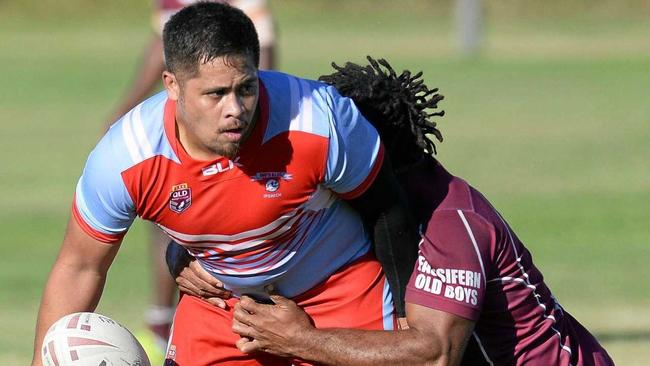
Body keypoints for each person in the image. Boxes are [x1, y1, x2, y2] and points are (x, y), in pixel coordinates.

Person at [31, 3, 419, 366]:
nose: (234, 108)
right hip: (223, 307)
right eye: (215, 94)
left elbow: (389, 210)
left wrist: (405, 316)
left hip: (338, 293)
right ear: (173, 86)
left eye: (246, 88)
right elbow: (79, 267)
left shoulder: (319, 119)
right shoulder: (125, 157)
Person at [172, 57, 615, 365]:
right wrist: (183, 258)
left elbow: (433, 354)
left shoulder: (451, 223)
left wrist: (299, 340)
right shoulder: (367, 209)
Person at [105, 1, 277, 360]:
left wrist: (257, 120)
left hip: (238, 133)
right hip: (193, 117)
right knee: (164, 211)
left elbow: (264, 52)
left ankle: (257, 315)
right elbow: (162, 43)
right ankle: (161, 322)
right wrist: (129, 104)